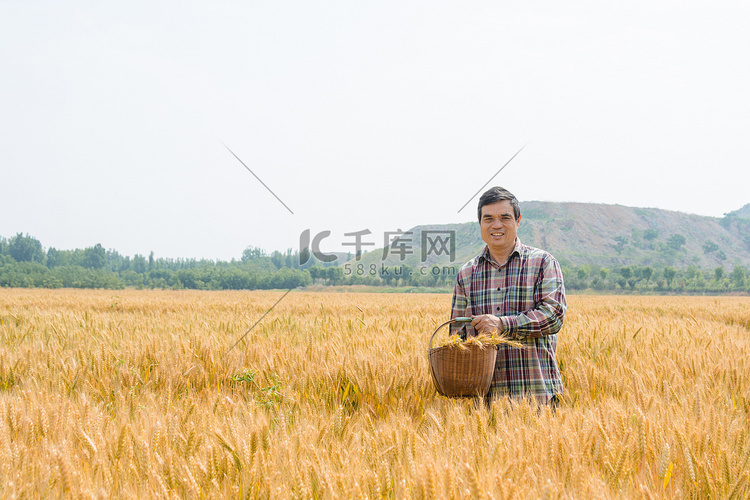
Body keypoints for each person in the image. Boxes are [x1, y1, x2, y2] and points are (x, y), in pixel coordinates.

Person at [450, 186, 566, 405]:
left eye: (505, 217)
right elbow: (457, 337)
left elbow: (553, 317)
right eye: (488, 218)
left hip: (537, 397)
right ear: (480, 224)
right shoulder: (466, 274)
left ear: (518, 220)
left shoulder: (543, 263)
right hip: (486, 405)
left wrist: (503, 325)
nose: (496, 225)